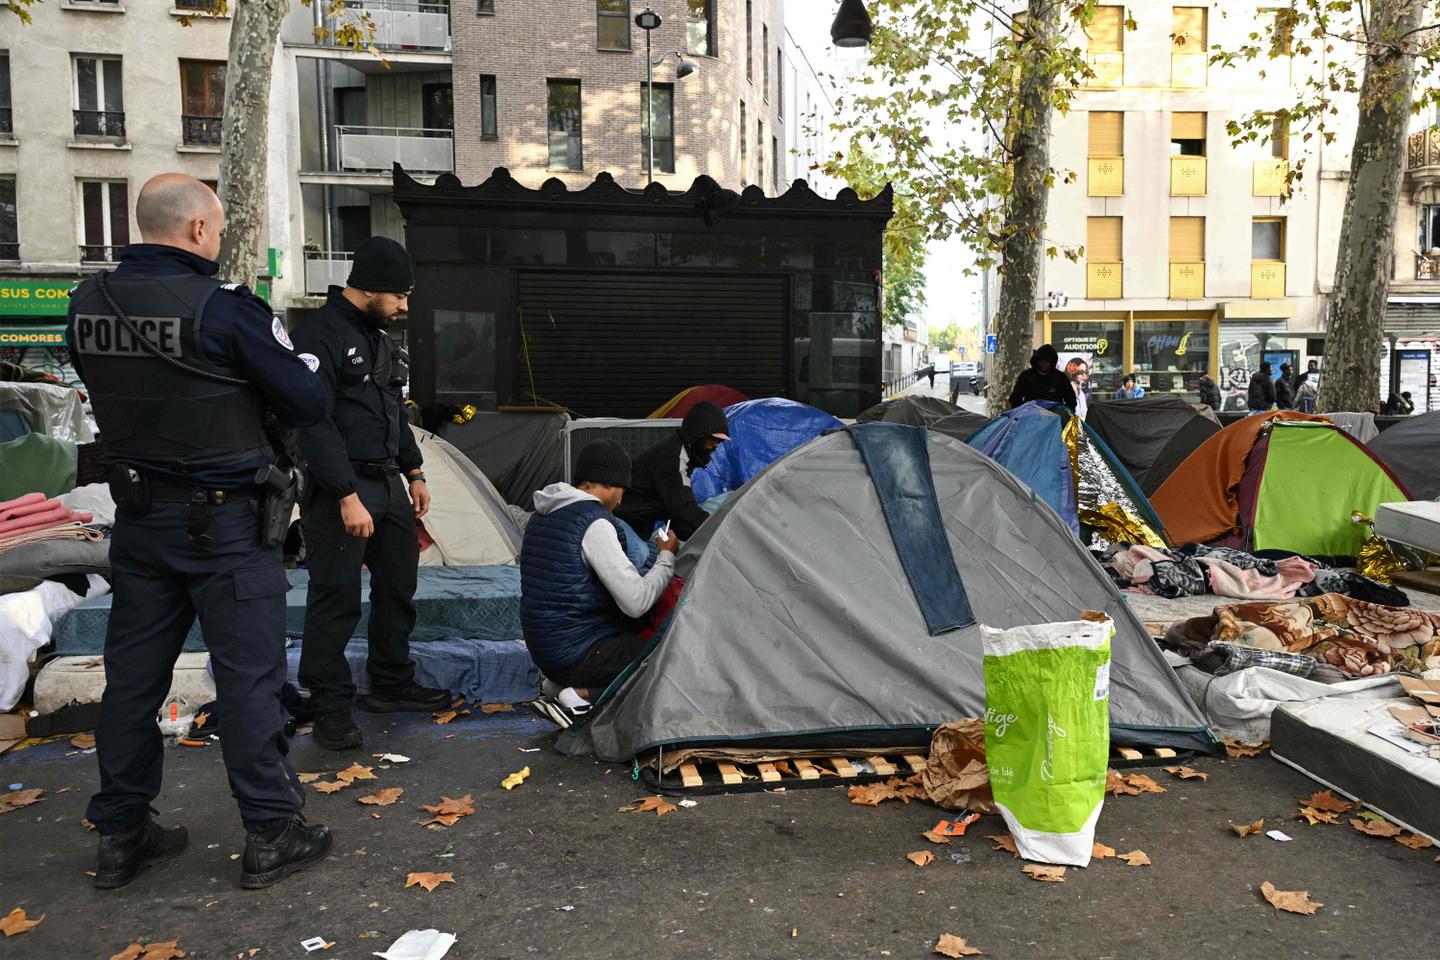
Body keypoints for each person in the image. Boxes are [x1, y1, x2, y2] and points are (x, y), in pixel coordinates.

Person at [67, 173, 333, 890]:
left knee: (132, 682)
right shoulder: (224, 308)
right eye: (215, 229)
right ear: (196, 230)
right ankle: (272, 830)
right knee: (248, 680)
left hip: (140, 522)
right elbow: (306, 399)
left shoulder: (89, 302)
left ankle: (121, 834)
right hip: (226, 527)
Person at [291, 237, 452, 752]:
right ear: (371, 288)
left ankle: (391, 682)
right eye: (399, 295)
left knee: (399, 585)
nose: (404, 306)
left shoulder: (379, 338)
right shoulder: (318, 334)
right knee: (335, 597)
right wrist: (344, 494)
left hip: (387, 483)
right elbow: (312, 422)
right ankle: (330, 708)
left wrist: (415, 471)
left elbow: (393, 411)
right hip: (341, 488)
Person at [522, 440, 678, 727]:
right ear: (609, 482)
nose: (621, 500)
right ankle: (583, 695)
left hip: (545, 651)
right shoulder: (594, 523)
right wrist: (666, 558)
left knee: (628, 635)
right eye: (622, 489)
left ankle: (557, 687)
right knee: (666, 650)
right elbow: (636, 602)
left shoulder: (541, 516)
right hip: (579, 653)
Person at [615, 401, 730, 542]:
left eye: (720, 441)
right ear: (698, 434)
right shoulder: (673, 458)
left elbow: (674, 505)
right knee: (640, 552)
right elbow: (682, 505)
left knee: (662, 550)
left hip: (638, 525)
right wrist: (718, 531)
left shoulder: (684, 451)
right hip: (623, 520)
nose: (716, 445)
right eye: (713, 439)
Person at [1007, 343, 1077, 409]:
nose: (1044, 364)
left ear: (1052, 362)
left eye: (1047, 361)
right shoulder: (1027, 376)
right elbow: (1015, 398)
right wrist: (1023, 411)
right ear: (1037, 360)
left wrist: (1064, 413)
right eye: (1041, 360)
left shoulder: (1060, 377)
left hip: (1054, 414)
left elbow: (1071, 400)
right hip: (1031, 414)